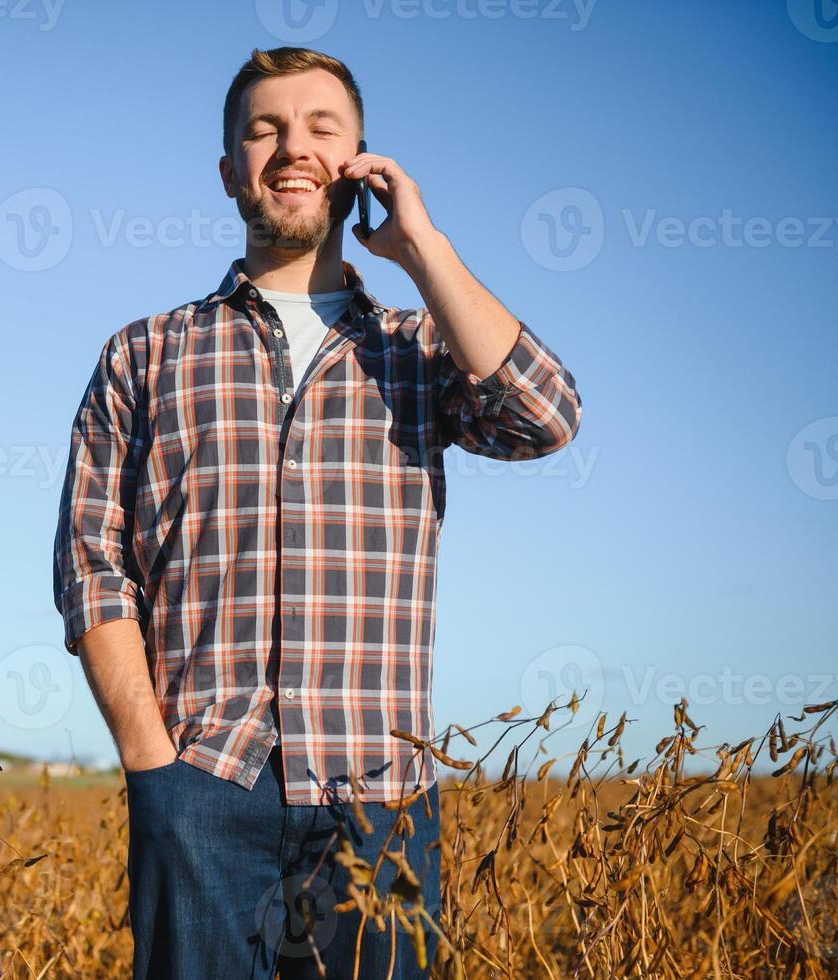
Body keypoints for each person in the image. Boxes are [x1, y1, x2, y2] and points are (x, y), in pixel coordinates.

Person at [51, 46, 582, 979]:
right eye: (263, 129)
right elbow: (90, 564)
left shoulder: (421, 349)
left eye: (319, 128)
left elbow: (544, 418)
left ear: (358, 164)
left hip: (380, 795)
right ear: (227, 172)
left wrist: (422, 248)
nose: (290, 146)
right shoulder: (144, 355)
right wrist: (151, 764)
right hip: (202, 784)